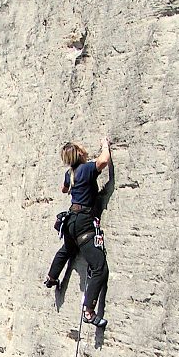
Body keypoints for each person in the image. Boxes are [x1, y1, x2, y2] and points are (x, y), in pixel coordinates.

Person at [44, 138, 111, 327]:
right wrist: (105, 145)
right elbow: (104, 161)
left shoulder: (70, 173)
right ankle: (89, 311)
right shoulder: (87, 168)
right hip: (83, 222)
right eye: (83, 149)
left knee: (67, 249)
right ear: (80, 154)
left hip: (70, 220)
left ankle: (51, 277)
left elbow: (64, 189)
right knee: (99, 267)